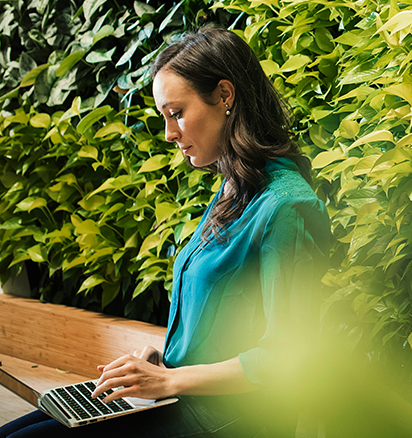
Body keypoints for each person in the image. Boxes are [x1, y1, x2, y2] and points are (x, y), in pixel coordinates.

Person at [0, 25, 329, 438]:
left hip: (229, 418)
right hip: (182, 397)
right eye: (164, 117)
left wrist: (171, 380)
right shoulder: (235, 187)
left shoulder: (287, 206)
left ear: (225, 95)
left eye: (177, 113)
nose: (171, 134)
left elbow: (290, 357)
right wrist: (163, 360)